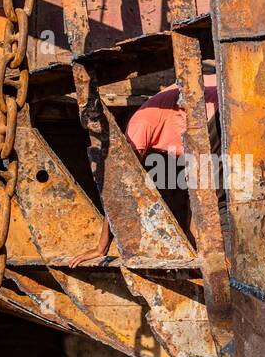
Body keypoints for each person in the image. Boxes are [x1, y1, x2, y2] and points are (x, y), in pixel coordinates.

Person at [69, 73, 220, 266]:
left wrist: (101, 246)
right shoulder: (158, 129)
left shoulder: (139, 127)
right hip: (215, 95)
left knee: (222, 187)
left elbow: (120, 188)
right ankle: (203, 251)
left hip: (217, 103)